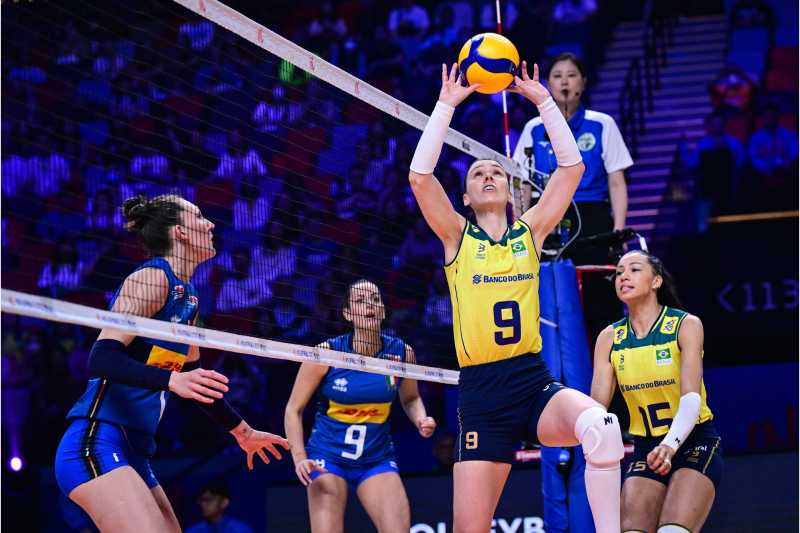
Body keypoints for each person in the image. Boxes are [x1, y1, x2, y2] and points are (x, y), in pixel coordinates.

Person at [408, 62, 624, 533]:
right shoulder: (456, 237)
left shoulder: (531, 232)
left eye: (496, 172)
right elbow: (421, 178)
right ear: (465, 197)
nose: (488, 176)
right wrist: (445, 106)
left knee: (603, 428)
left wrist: (543, 100)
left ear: (510, 190)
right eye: (477, 174)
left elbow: (572, 169)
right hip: (482, 394)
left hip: (531, 382)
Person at [54, 194, 290, 533]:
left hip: (136, 450)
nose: (211, 224)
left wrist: (243, 431)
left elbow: (193, 379)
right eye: (200, 217)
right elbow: (102, 357)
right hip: (97, 440)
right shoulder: (151, 278)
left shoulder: (189, 298)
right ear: (180, 231)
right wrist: (171, 381)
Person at [284, 279, 436, 533]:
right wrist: (299, 458)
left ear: (383, 311)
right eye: (360, 300)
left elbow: (411, 398)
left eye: (375, 299)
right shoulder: (326, 353)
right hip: (327, 456)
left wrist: (421, 418)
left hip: (376, 458)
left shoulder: (402, 353)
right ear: (347, 313)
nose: (370, 305)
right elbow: (293, 409)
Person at [590, 251, 723, 533]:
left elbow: (691, 398)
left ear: (656, 281)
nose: (623, 276)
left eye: (634, 269)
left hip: (693, 441)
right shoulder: (609, 338)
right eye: (619, 272)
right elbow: (596, 408)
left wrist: (670, 445)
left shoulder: (686, 325)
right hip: (646, 447)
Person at [513, 52, 633, 265]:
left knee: (595, 282)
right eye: (557, 76)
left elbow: (616, 182)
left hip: (592, 215)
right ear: (548, 84)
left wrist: (618, 231)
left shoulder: (602, 124)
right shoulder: (533, 128)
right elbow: (522, 184)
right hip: (545, 216)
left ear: (583, 82)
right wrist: (519, 230)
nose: (564, 82)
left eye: (571, 75)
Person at [186, 481, 253, 533]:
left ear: (224, 502)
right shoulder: (194, 530)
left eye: (209, 499)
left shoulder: (240, 530)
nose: (203, 504)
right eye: (201, 500)